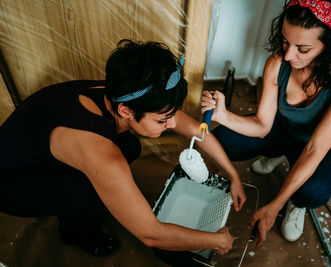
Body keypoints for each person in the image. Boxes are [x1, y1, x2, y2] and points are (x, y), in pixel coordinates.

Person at [0, 40, 247, 257]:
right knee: (87, 192)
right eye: (162, 120)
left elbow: (194, 130)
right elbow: (152, 234)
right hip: (11, 181)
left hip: (39, 145)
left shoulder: (125, 94)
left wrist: (233, 175)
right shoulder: (102, 154)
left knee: (129, 146)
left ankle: (95, 195)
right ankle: (75, 232)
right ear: (126, 112)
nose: (172, 124)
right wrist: (217, 240)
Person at [202, 0, 331, 246]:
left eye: (302, 48)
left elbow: (315, 149)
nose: (288, 54)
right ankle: (281, 155)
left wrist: (275, 205)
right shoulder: (278, 62)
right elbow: (262, 125)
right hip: (282, 131)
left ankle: (297, 201)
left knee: (314, 191)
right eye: (285, 41)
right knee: (221, 141)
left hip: (321, 149)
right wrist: (223, 115)